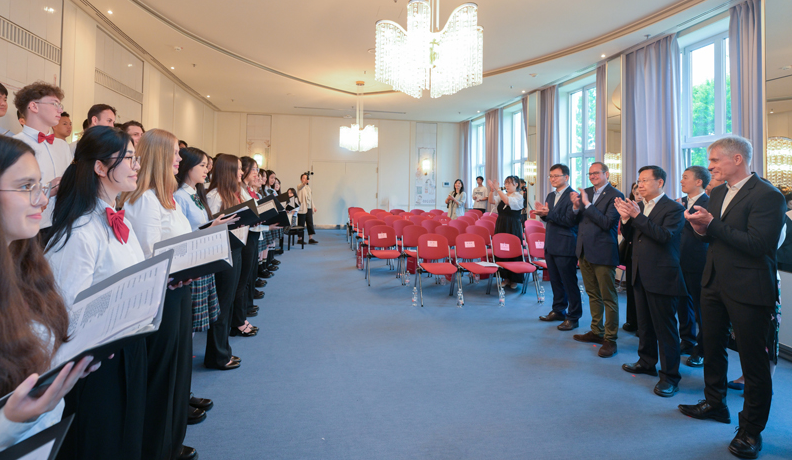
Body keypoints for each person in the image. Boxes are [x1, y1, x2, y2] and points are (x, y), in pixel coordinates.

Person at [678, 136, 786, 460]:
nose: (709, 166)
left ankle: (751, 430)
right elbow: (713, 237)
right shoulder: (718, 193)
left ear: (737, 159)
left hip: (749, 287)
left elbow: (758, 245)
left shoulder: (768, 195)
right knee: (712, 349)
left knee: (753, 363)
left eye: (715, 160)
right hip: (714, 283)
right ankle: (715, 403)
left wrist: (711, 224)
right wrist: (701, 229)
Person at [45, 126, 148, 459]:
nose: (136, 166)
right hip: (98, 361)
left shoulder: (119, 219)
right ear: (100, 167)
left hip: (128, 346)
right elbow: (65, 311)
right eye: (128, 158)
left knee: (127, 438)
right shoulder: (80, 231)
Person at [0, 137, 96, 451]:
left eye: (40, 186)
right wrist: (9, 422)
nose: (42, 200)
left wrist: (69, 360)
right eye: (26, 186)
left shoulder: (27, 264)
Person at [119, 129, 198, 460]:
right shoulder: (145, 200)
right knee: (162, 375)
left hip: (178, 289)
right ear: (160, 156)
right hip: (161, 296)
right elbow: (147, 256)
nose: (179, 158)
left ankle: (171, 441)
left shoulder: (166, 197)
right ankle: (158, 448)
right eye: (175, 153)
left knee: (178, 371)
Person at [616, 165, 686, 398]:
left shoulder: (674, 208)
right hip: (639, 273)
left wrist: (637, 216)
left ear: (660, 182)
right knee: (644, 325)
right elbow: (631, 238)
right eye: (639, 180)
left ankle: (670, 377)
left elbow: (664, 236)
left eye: (645, 180)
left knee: (665, 329)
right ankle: (646, 362)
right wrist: (626, 219)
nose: (640, 185)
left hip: (662, 275)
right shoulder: (641, 206)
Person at [568, 162, 623, 358]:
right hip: (584, 250)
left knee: (608, 297)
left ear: (606, 174)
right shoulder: (587, 192)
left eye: (596, 173)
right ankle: (596, 331)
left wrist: (588, 204)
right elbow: (576, 222)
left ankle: (610, 338)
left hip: (603, 251)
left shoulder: (616, 195)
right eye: (590, 173)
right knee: (592, 294)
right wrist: (576, 207)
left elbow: (607, 223)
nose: (592, 176)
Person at [207, 155, 258, 338]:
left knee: (232, 294)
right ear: (228, 171)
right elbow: (211, 227)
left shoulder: (234, 192)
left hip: (236, 246)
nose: (241, 172)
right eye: (238, 168)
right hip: (223, 250)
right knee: (224, 299)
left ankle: (226, 339)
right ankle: (219, 348)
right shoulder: (214, 196)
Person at [13, 82, 72, 233]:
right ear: (34, 106)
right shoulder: (14, 145)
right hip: (31, 225)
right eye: (54, 104)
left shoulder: (62, 146)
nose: (60, 110)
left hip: (62, 221)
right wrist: (46, 190)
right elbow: (11, 191)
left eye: (60, 105)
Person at [534, 164, 581, 331]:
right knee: (555, 281)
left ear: (566, 177)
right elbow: (551, 219)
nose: (552, 179)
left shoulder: (573, 196)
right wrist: (543, 215)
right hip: (551, 242)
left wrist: (549, 214)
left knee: (569, 282)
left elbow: (570, 221)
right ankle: (558, 310)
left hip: (566, 244)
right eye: (551, 176)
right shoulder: (551, 195)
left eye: (556, 176)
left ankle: (573, 317)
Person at [678, 165, 711, 368]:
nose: (681, 181)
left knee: (701, 309)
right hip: (679, 260)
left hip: (699, 261)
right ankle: (687, 340)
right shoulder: (680, 202)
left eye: (685, 177)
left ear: (699, 182)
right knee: (683, 304)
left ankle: (702, 349)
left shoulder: (709, 203)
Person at [487, 176, 524, 290]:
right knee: (502, 250)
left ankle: (514, 279)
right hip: (501, 225)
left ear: (516, 184)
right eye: (505, 183)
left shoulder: (518, 196)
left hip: (512, 227)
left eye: (509, 183)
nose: (507, 186)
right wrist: (492, 190)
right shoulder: (503, 195)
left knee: (513, 250)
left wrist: (498, 189)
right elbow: (491, 201)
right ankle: (505, 277)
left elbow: (507, 201)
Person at [621, 182, 642, 333]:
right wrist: (625, 219)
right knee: (631, 289)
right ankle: (631, 321)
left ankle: (643, 326)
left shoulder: (650, 208)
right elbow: (626, 234)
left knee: (643, 292)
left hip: (647, 255)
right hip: (631, 252)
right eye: (636, 192)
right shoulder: (629, 208)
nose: (639, 194)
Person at [297, 172, 318, 244]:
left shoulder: (308, 188)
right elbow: (301, 186)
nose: (305, 179)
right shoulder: (299, 186)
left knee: (310, 223)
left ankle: (310, 238)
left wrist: (313, 207)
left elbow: (311, 198)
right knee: (301, 224)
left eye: (306, 178)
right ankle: (300, 239)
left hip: (309, 207)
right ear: (301, 179)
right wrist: (304, 183)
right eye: (304, 178)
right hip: (302, 208)